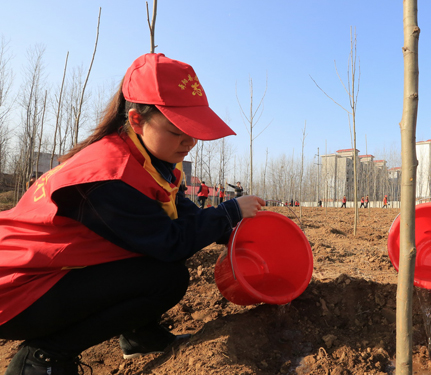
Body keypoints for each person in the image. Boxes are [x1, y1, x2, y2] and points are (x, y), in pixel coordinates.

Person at [0, 53, 266, 375]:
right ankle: (43, 357)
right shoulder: (109, 176)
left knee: (152, 265)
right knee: (165, 277)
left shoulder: (147, 158)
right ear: (137, 120)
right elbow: (170, 242)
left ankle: (141, 335)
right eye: (177, 130)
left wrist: (233, 233)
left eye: (193, 131)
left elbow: (178, 212)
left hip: (41, 275)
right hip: (17, 290)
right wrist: (229, 212)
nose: (189, 142)